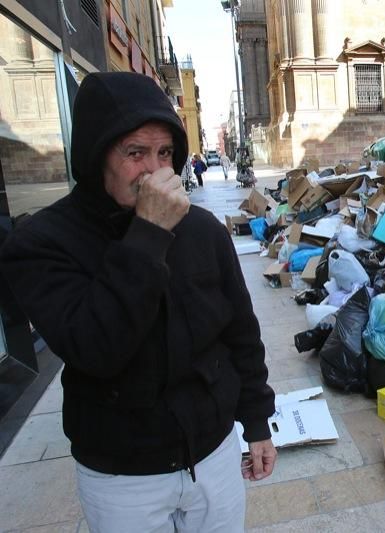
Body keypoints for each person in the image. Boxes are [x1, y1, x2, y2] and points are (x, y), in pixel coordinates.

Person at [0, 72, 276, 532]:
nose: (153, 170)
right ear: (96, 156)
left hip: (213, 453)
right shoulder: (42, 243)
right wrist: (148, 235)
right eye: (135, 153)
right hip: (123, 474)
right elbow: (95, 348)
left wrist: (257, 421)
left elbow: (241, 333)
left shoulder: (203, 230)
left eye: (164, 153)